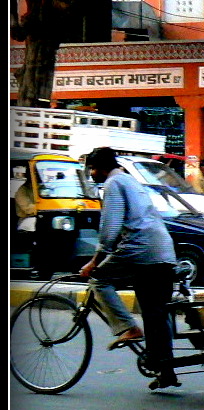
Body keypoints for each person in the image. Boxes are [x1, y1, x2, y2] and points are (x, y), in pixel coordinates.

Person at [80, 147, 179, 391]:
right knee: (156, 312)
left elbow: (110, 227)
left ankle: (128, 327)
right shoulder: (132, 181)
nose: (92, 174)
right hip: (163, 251)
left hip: (140, 248)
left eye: (92, 169)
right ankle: (166, 370)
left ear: (101, 168)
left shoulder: (113, 183)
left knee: (100, 280)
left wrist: (95, 261)